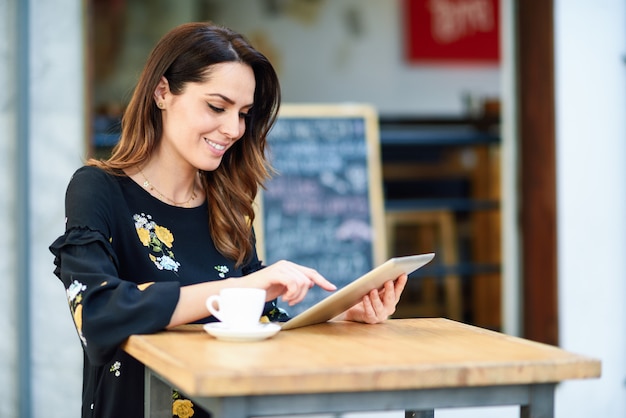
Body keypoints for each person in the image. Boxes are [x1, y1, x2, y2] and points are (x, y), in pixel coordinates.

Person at [50, 21, 408, 418]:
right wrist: (240, 288)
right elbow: (97, 313)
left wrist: (341, 317)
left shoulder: (227, 200)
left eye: (244, 113)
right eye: (217, 107)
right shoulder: (98, 189)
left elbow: (262, 318)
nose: (234, 129)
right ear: (162, 92)